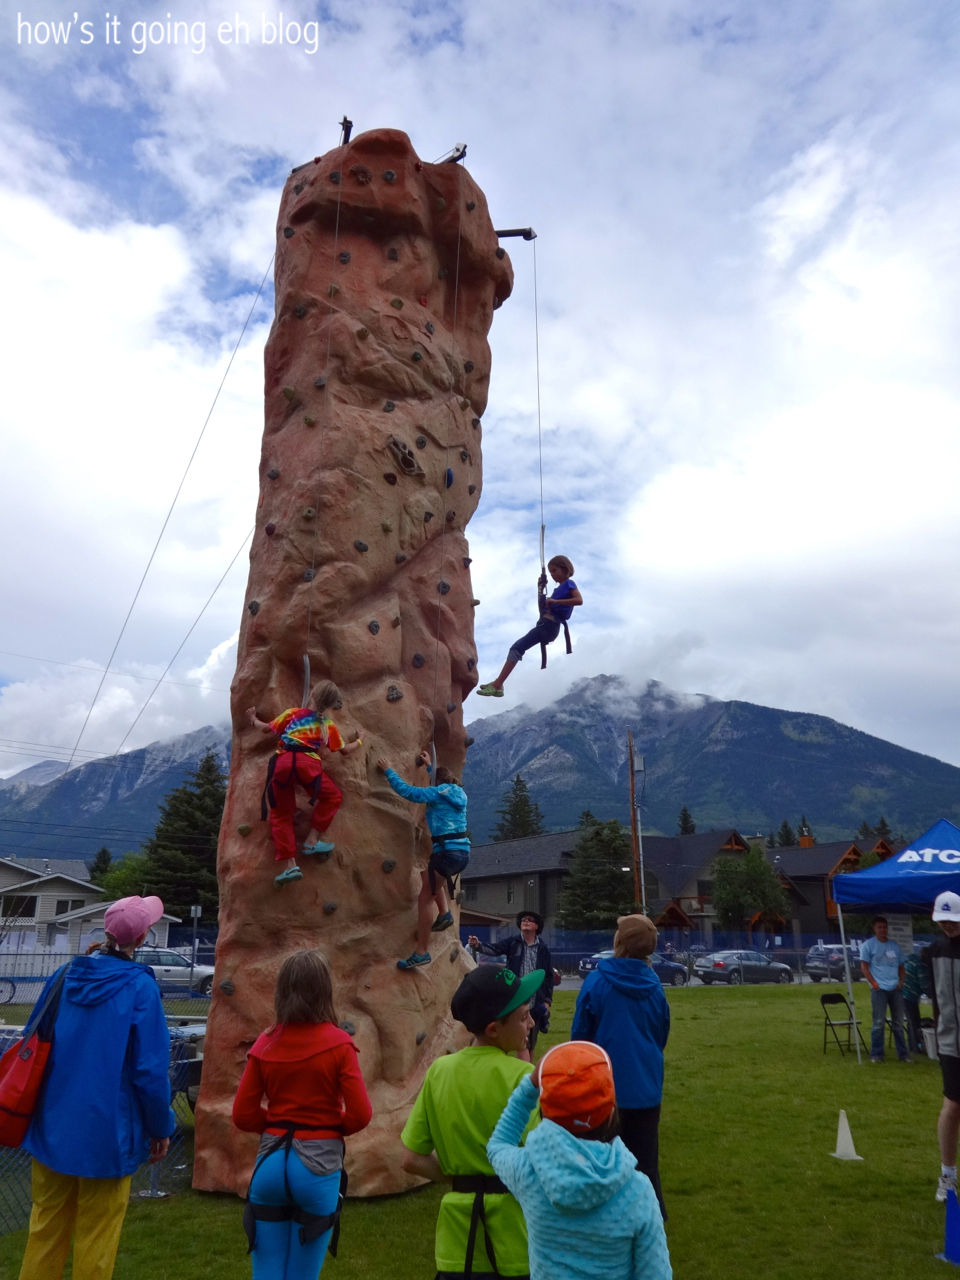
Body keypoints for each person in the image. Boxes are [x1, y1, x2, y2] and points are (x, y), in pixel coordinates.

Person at [17, 895, 176, 1280]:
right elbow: (150, 1070)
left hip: (52, 1124)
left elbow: (32, 1036)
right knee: (97, 1237)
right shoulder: (140, 987)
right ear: (142, 938)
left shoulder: (65, 974)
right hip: (108, 1135)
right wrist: (161, 1127)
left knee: (45, 1229)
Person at [232, 949, 372, 1278]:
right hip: (317, 1168)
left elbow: (242, 1115)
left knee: (266, 1273)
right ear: (325, 990)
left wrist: (276, 1124)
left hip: (270, 1163)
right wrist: (328, 1126)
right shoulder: (339, 1044)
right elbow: (361, 1115)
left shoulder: (265, 1043)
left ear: (282, 990)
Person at [400, 964, 544, 1280]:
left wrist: (462, 1180)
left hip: (457, 1245)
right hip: (517, 1240)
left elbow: (411, 1158)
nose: (532, 1023)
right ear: (493, 1029)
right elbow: (541, 1161)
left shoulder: (440, 1072)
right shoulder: (523, 1078)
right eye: (523, 1017)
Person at [487, 1041, 672, 1280]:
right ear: (610, 1111)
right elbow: (656, 1274)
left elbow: (498, 1146)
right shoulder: (637, 1190)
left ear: (545, 1112)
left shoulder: (530, 1172)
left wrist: (531, 1086)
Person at [570, 913, 670, 1219]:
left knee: (603, 1161)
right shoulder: (655, 986)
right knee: (645, 1163)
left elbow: (580, 1039)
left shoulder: (597, 982)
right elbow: (661, 1033)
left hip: (604, 1089)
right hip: (646, 1088)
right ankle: (649, 1220)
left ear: (619, 942)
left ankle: (603, 1221)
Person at [247, 679, 362, 888]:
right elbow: (344, 750)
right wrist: (360, 741)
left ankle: (290, 865)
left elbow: (265, 728)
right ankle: (311, 841)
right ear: (331, 704)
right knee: (332, 797)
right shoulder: (327, 725)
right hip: (308, 766)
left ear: (312, 694)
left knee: (281, 814)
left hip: (283, 764)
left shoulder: (292, 714)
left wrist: (253, 718)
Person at [378, 752, 470, 971]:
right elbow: (439, 783)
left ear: (436, 783)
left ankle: (421, 952)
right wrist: (430, 766)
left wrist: (388, 770)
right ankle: (445, 914)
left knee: (424, 899)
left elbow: (408, 792)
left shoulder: (436, 793)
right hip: (461, 852)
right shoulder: (457, 792)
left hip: (446, 853)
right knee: (427, 875)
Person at [477, 556, 583, 696]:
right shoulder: (558, 590)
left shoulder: (569, 584)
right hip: (546, 625)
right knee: (517, 648)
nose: (552, 575)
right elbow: (543, 608)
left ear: (564, 569)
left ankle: (498, 685)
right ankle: (498, 683)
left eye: (554, 571)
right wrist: (540, 588)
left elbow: (579, 600)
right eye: (550, 572)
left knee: (517, 648)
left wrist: (556, 602)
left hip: (550, 626)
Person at [467, 912, 554, 1061]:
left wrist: (547, 1002)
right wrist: (478, 945)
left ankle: (527, 1071)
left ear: (536, 926)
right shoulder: (513, 943)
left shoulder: (543, 948)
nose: (526, 921)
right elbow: (494, 949)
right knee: (521, 1043)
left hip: (535, 1003)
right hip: (516, 1000)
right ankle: (525, 1072)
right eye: (523, 919)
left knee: (531, 1044)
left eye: (530, 920)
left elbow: (549, 976)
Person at [922, 891, 960, 1202]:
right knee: (952, 1106)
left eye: (953, 919)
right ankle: (947, 1176)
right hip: (950, 1043)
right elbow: (935, 997)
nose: (948, 924)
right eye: (943, 920)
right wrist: (937, 1032)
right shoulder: (932, 952)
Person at [859, 916, 910, 1064]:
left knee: (898, 1023)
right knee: (878, 1022)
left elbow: (901, 967)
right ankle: (877, 1054)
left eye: (884, 927)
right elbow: (864, 967)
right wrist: (874, 983)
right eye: (879, 927)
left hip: (895, 988)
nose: (882, 930)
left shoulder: (894, 946)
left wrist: (901, 982)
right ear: (874, 928)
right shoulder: (868, 946)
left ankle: (903, 1055)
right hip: (879, 989)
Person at [902, 947, 926, 1055]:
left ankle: (912, 1046)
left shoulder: (911, 959)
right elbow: (923, 982)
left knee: (911, 1021)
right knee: (914, 1021)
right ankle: (917, 1047)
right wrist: (932, 994)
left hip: (902, 992)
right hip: (909, 994)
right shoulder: (920, 964)